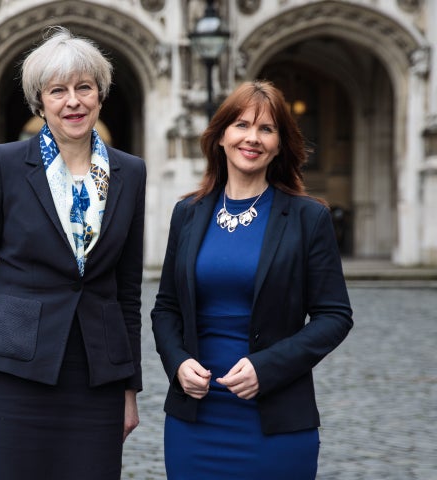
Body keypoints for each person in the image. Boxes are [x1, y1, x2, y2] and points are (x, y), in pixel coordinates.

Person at [0, 26, 146, 480]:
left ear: (100, 94)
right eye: (59, 91)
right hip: (12, 374)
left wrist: (130, 388)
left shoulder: (130, 172)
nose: (73, 101)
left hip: (97, 376)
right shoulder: (3, 164)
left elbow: (128, 292)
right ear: (41, 101)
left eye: (84, 88)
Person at [151, 80, 353, 479]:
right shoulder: (187, 214)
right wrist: (177, 363)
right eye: (242, 125)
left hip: (276, 421)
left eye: (267, 129)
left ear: (280, 144)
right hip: (196, 419)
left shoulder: (308, 217)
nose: (253, 138)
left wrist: (267, 368)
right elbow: (166, 308)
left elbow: (335, 317)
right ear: (221, 136)